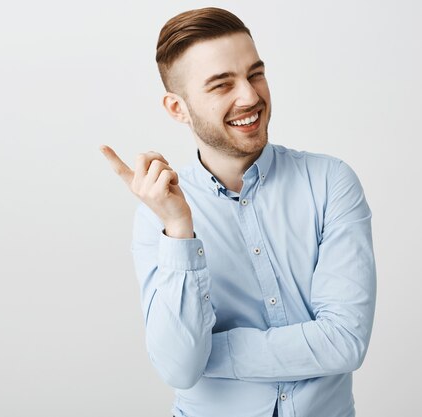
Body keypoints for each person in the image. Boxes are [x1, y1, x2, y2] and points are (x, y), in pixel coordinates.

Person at [99, 7, 376, 417]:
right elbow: (179, 368)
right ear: (177, 108)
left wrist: (209, 353)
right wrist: (179, 230)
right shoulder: (157, 217)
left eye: (255, 74)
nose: (249, 96)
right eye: (221, 85)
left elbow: (344, 341)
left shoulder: (330, 182)